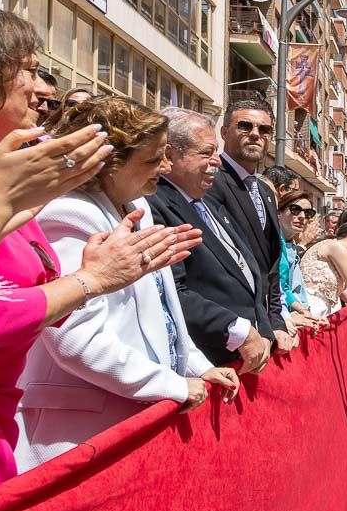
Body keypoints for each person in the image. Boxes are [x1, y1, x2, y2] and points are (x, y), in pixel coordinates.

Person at [0, 10, 192, 483]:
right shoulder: (67, 210)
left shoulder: (42, 204)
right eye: (27, 69)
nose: (40, 87)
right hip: (76, 433)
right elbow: (56, 328)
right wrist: (90, 282)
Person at [15, 97, 239, 470]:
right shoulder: (70, 214)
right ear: (110, 164)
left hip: (134, 417)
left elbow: (162, 311)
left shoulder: (137, 206)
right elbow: (75, 338)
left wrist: (194, 366)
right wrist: (169, 384)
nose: (165, 167)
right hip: (81, 431)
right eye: (153, 159)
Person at [147, 108, 275, 374]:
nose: (216, 161)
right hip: (205, 363)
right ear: (170, 155)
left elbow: (251, 275)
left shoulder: (210, 205)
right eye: (206, 153)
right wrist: (237, 331)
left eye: (216, 152)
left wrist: (263, 329)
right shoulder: (155, 205)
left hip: (244, 358)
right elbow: (171, 291)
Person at [206, 100, 293, 352]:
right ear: (224, 132)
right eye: (245, 126)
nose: (255, 134)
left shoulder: (265, 190)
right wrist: (253, 329)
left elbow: (272, 264)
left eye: (264, 130)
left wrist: (276, 321)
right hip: (233, 332)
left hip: (263, 327)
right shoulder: (210, 180)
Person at [276, 190, 325, 331]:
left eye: (308, 213)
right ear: (279, 212)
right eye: (295, 210)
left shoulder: (290, 245)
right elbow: (277, 287)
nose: (302, 216)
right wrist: (288, 316)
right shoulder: (272, 242)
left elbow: (285, 288)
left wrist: (304, 311)